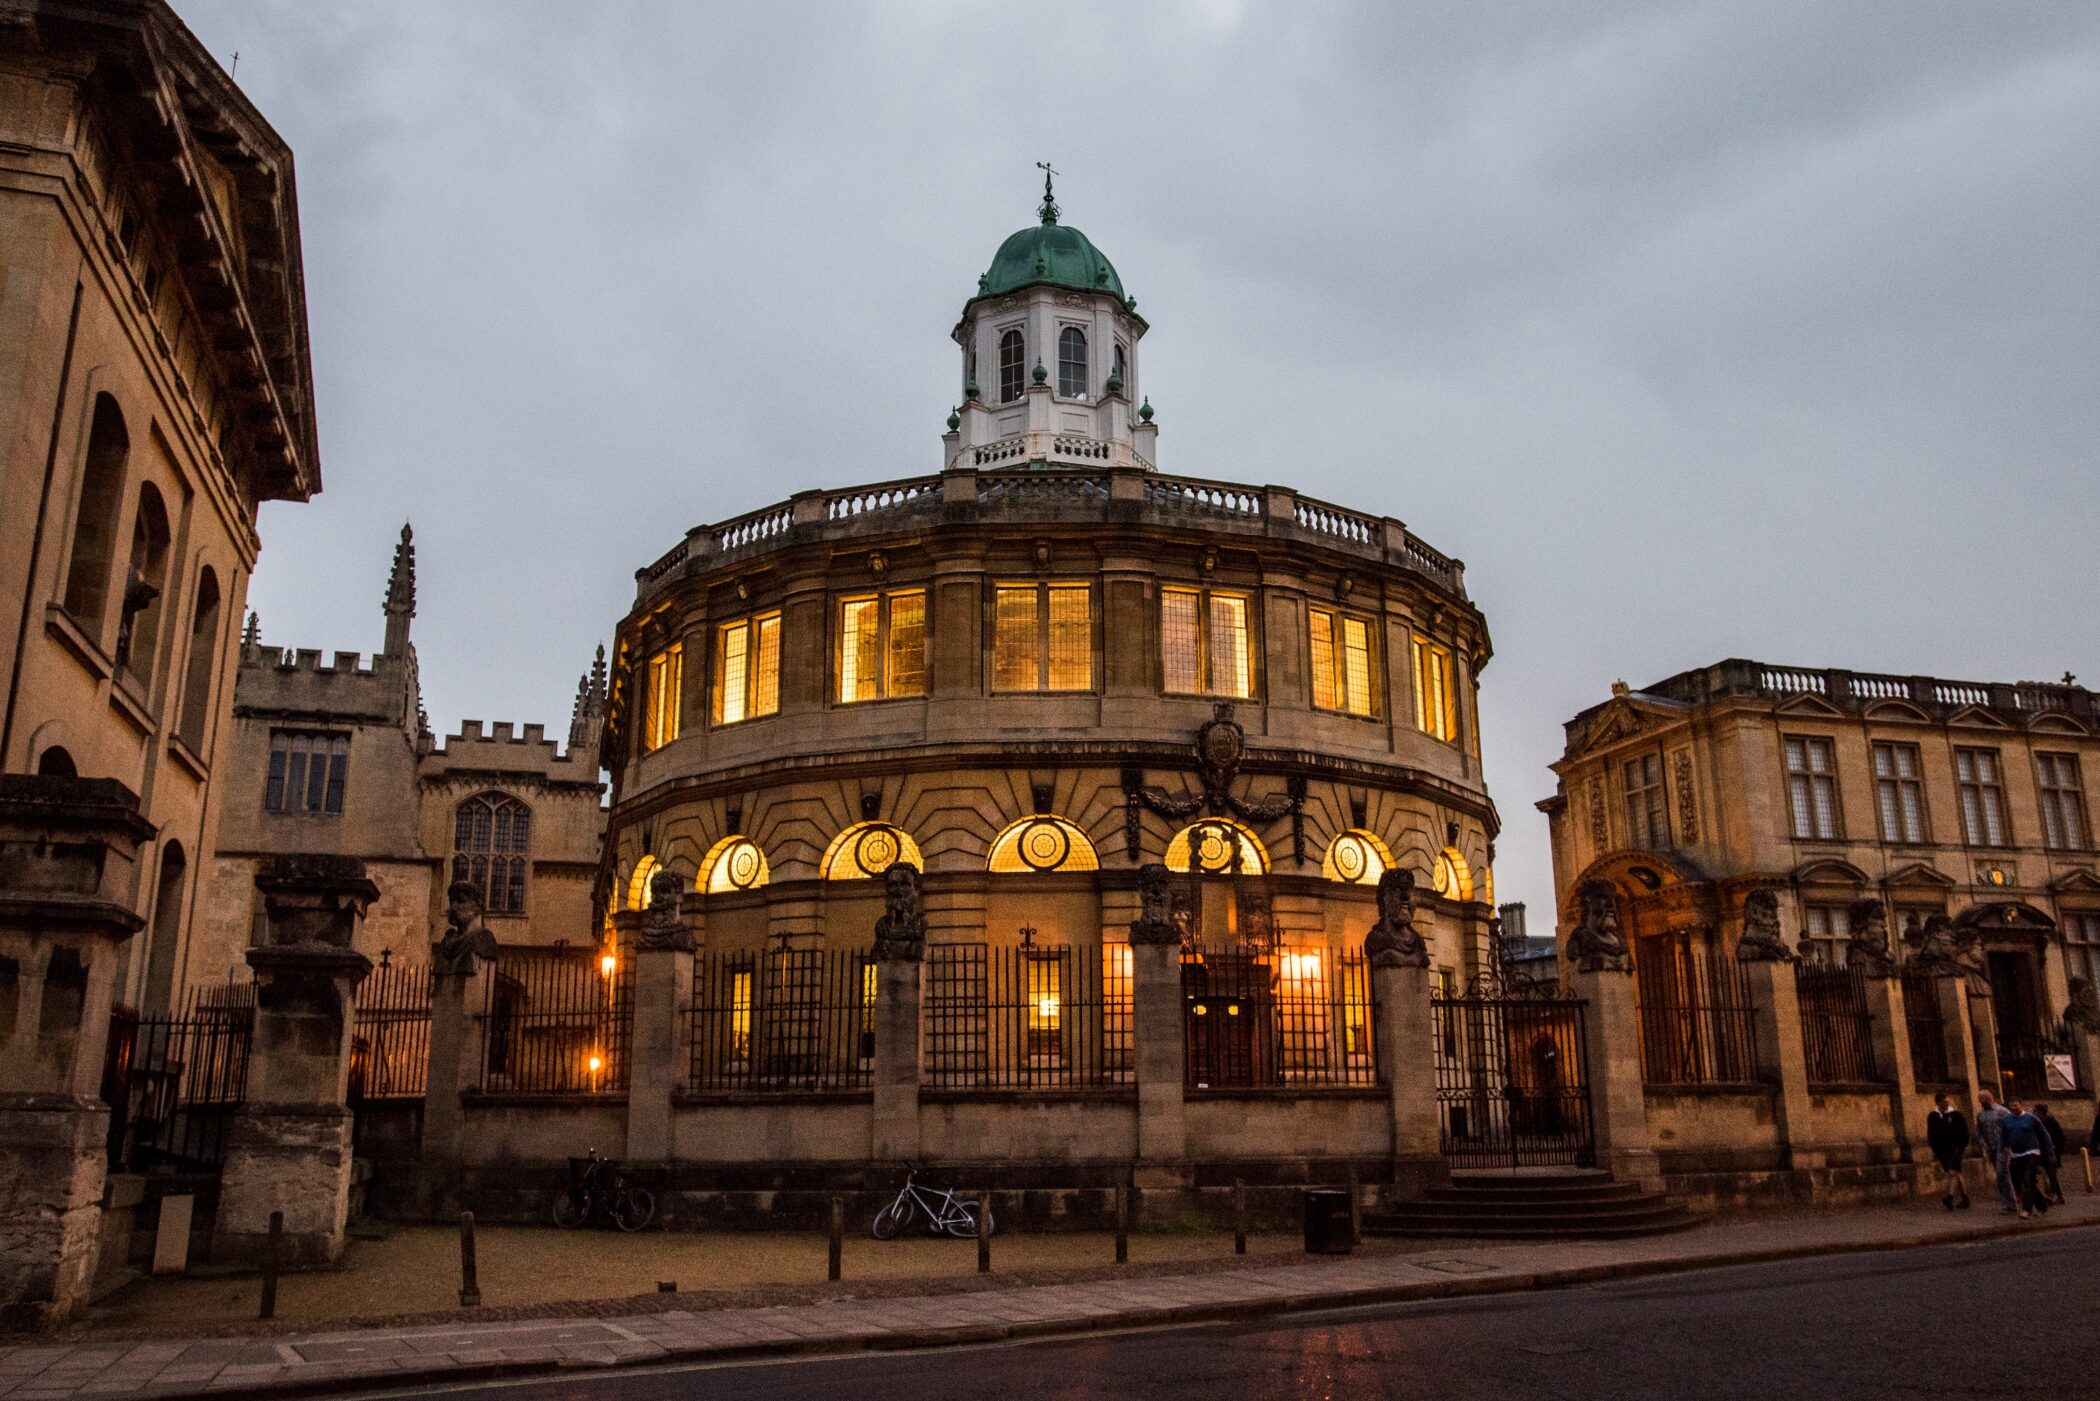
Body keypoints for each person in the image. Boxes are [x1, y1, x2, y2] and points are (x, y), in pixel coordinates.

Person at [2001, 1097, 2050, 1219]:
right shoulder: (2007, 1120)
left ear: (2021, 1105)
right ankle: (2042, 1205)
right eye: (2011, 1106)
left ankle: (2026, 1210)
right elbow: (2003, 1136)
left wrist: (2050, 1151)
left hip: (2031, 1153)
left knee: (2028, 1180)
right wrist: (2002, 1149)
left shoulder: (2030, 1118)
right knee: (2022, 1182)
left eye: (2016, 1105)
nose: (2013, 1108)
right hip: (2016, 1154)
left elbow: (2044, 1134)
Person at [1925, 1093, 1971, 1209]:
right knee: (1957, 1172)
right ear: (1938, 1102)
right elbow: (1931, 1133)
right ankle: (1965, 1198)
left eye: (1948, 1101)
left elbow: (1964, 1132)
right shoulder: (1933, 1116)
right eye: (1944, 1101)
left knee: (1952, 1172)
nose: (1947, 1103)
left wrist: (1961, 1145)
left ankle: (1949, 1197)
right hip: (1942, 1149)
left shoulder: (1955, 1115)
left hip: (1955, 1148)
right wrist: (1935, 1148)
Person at [1975, 1091, 2014, 1213]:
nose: (1982, 1103)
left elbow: (2011, 1127)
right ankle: (2007, 1200)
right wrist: (1982, 1142)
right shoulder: (1980, 1114)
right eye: (1981, 1101)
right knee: (2000, 1174)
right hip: (1991, 1147)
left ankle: (2010, 1201)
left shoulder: (2002, 1112)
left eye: (1984, 1101)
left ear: (1990, 1099)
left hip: (2004, 1147)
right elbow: (1980, 1130)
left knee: (2002, 1173)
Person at [2034, 1103, 2067, 1205]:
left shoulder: (2052, 1122)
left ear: (2041, 1112)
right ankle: (2060, 1197)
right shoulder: (2036, 1123)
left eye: (2035, 1111)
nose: (2034, 1113)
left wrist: (2057, 1151)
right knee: (2051, 1174)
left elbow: (2060, 1137)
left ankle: (2051, 1194)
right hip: (2042, 1152)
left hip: (2052, 1152)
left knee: (2052, 1174)